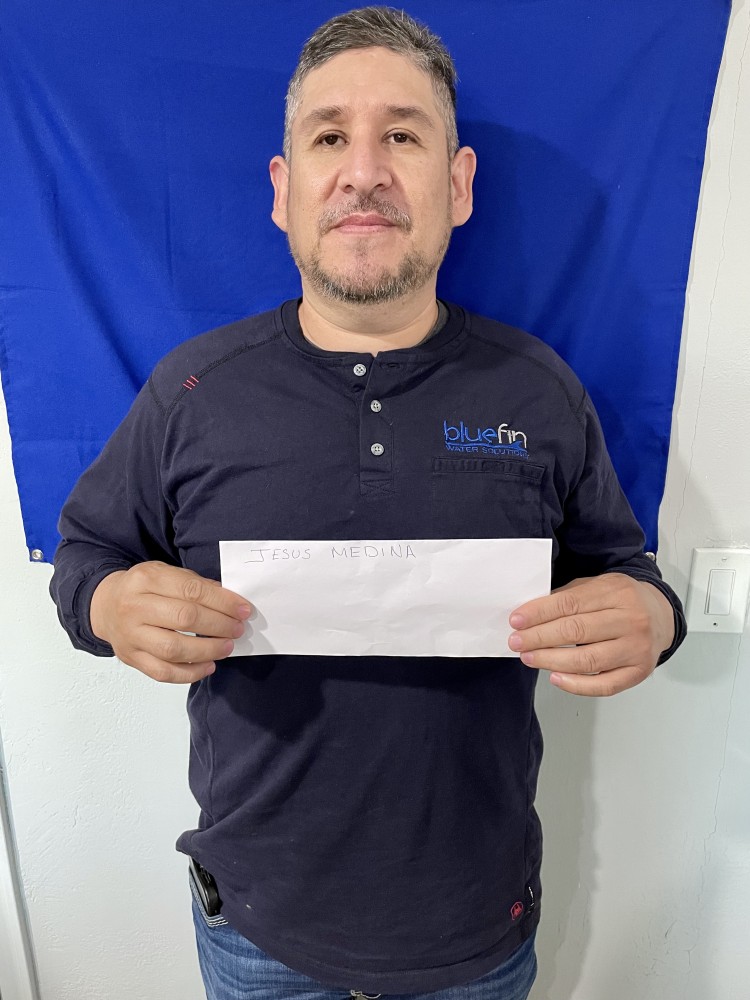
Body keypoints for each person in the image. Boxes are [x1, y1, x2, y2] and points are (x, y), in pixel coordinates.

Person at [50, 6, 686, 999]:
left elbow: (624, 570)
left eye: (402, 135)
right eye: (328, 138)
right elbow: (85, 557)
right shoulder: (191, 391)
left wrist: (654, 616)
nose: (363, 172)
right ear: (282, 189)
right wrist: (109, 603)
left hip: (477, 932)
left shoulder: (540, 392)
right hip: (255, 928)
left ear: (457, 185)